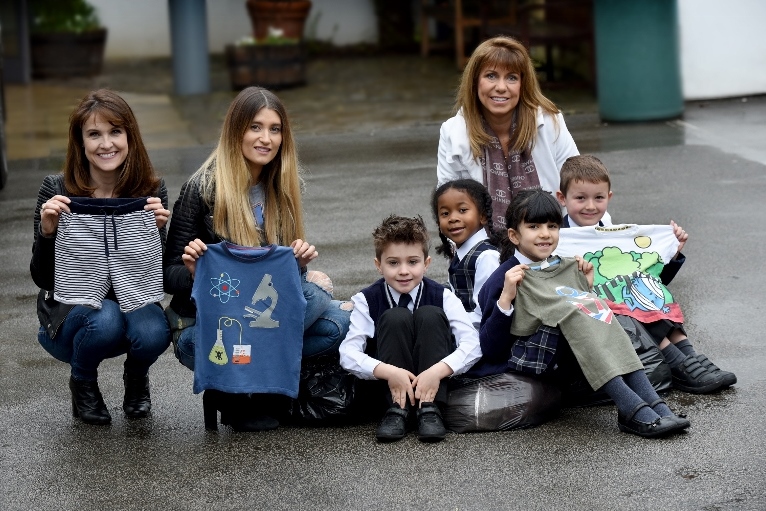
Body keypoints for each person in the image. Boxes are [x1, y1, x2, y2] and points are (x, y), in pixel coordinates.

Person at [164, 86, 351, 432]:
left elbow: (278, 280)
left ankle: (263, 387)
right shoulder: (202, 189)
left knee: (339, 325)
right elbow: (167, 274)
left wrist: (299, 263)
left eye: (275, 129)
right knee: (317, 298)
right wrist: (195, 272)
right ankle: (237, 392)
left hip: (258, 321)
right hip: (207, 330)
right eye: (255, 127)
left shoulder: (282, 188)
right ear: (236, 131)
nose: (266, 138)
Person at [478, 188, 689, 438]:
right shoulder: (504, 278)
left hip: (568, 358)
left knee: (596, 306)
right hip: (531, 362)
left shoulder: (564, 265)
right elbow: (490, 347)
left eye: (552, 226)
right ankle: (631, 408)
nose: (545, 234)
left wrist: (585, 287)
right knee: (577, 312)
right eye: (534, 227)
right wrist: (506, 298)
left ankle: (652, 403)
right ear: (514, 235)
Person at [30, 89, 171, 426]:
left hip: (130, 303)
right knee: (105, 316)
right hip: (71, 316)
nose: (106, 144)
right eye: (94, 134)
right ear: (80, 142)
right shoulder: (57, 189)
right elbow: (43, 279)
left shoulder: (150, 190)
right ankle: (83, 382)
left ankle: (136, 378)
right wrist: (47, 232)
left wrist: (155, 236)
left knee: (154, 330)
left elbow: (156, 279)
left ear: (130, 137)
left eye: (115, 132)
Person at [555, 154, 736, 393]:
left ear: (609, 197)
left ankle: (690, 355)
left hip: (620, 305)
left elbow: (651, 278)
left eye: (598, 198)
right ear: (562, 198)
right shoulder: (557, 237)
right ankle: (679, 364)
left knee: (645, 289)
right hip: (590, 312)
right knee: (627, 299)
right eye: (580, 198)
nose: (590, 206)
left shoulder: (615, 235)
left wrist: (670, 253)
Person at [339, 215, 482, 443]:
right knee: (395, 317)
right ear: (379, 265)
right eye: (393, 263)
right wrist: (388, 371)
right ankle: (398, 409)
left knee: (430, 314)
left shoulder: (443, 296)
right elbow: (348, 353)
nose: (403, 271)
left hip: (435, 386)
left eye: (412, 262)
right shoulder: (367, 300)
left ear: (426, 264)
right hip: (388, 392)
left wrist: (438, 371)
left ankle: (429, 408)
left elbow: (472, 344)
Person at [436, 35, 582, 229]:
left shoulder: (549, 121)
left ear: (523, 84)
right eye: (491, 76)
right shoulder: (452, 132)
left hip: (553, 242)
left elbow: (580, 190)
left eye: (512, 78)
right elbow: (448, 208)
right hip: (484, 249)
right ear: (475, 82)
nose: (501, 87)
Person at [431, 179, 502, 325]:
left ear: (482, 216)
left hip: (477, 337)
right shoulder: (460, 252)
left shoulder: (487, 257)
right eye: (445, 213)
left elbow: (483, 312)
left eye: (462, 210)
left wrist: (444, 320)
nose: (453, 218)